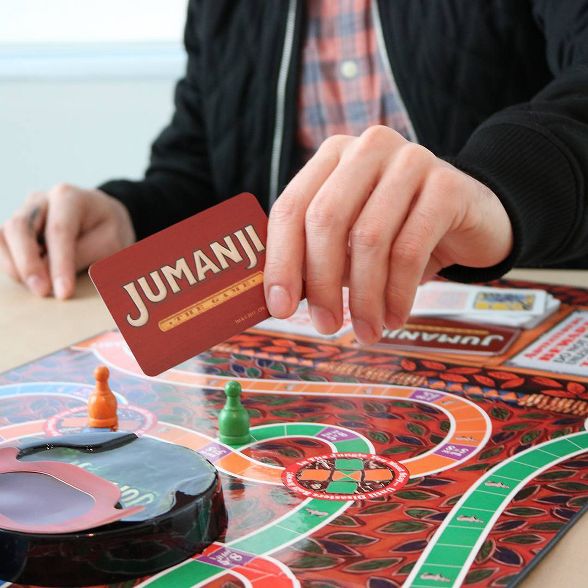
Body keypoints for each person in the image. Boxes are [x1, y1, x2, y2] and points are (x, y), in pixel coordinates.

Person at [2, 1, 588, 345]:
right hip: (296, 348)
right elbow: (204, 170)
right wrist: (127, 215)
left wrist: (490, 191)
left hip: (525, 318)